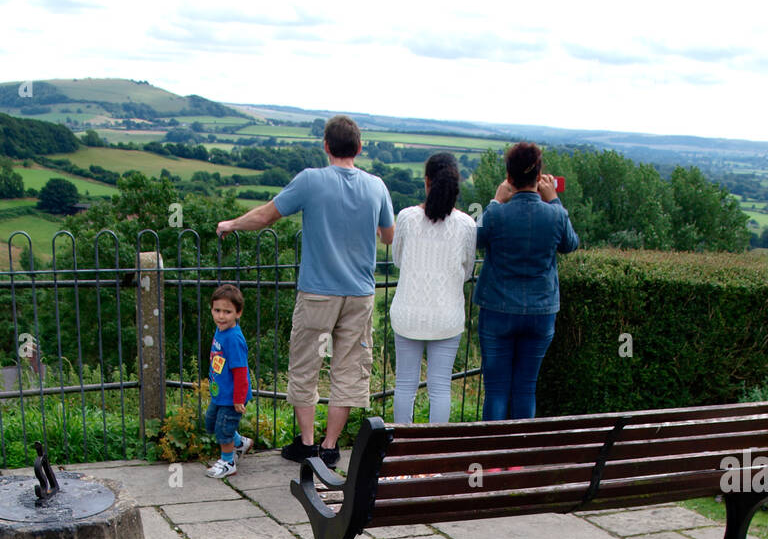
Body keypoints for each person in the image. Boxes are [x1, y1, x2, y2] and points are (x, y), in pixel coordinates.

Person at [217, 115, 394, 467]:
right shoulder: (377, 187)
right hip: (359, 294)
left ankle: (308, 444)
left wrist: (231, 224)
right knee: (348, 368)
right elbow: (388, 236)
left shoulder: (311, 181)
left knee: (305, 366)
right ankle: (330, 447)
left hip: (317, 293)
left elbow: (267, 216)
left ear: (326, 146)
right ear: (358, 148)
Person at [474, 141, 579, 421]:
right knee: (526, 387)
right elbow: (570, 244)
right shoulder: (555, 214)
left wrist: (496, 200)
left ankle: (492, 460)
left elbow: (476, 238)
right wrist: (554, 199)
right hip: (540, 311)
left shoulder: (496, 214)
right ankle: (519, 460)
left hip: (497, 308)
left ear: (509, 177)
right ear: (539, 175)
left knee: (496, 388)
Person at [390, 152, 476, 426]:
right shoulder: (467, 225)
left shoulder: (405, 218)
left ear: (427, 181)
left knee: (405, 385)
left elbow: (397, 260)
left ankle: (401, 449)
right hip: (447, 316)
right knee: (440, 388)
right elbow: (467, 271)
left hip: (408, 313)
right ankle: (433, 454)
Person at [203, 283, 253, 479]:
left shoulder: (233, 338)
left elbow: (241, 372)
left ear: (238, 313)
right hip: (220, 393)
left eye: (227, 312)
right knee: (211, 423)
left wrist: (239, 398)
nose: (221, 316)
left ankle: (228, 461)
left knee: (223, 430)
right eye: (217, 310)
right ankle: (240, 443)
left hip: (232, 397)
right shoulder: (221, 331)